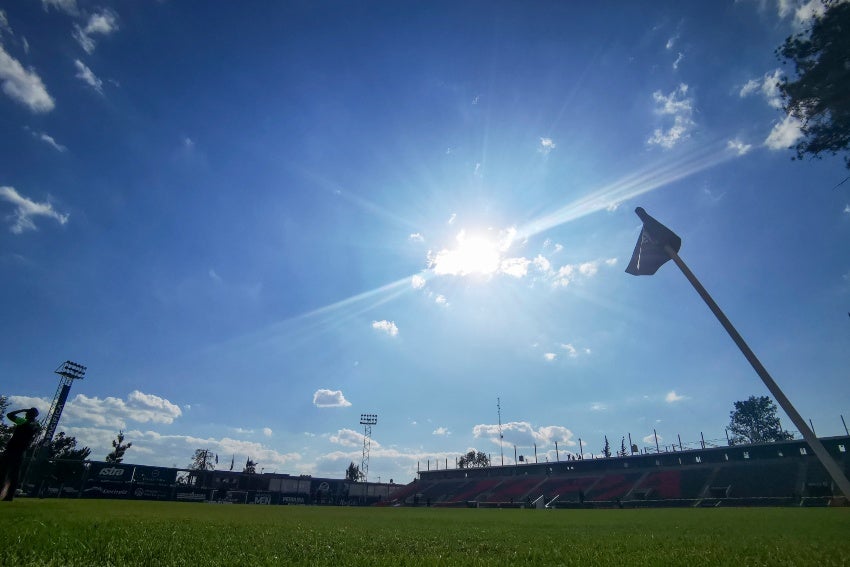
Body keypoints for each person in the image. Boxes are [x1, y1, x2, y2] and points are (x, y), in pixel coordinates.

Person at [0, 407, 40, 501]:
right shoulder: (36, 425)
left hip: (12, 449)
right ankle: (9, 496)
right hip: (22, 451)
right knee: (15, 474)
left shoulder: (22, 422)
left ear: (28, 414)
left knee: (3, 472)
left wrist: (21, 410)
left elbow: (10, 415)